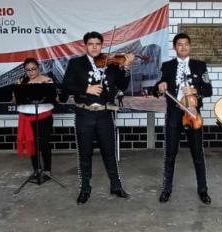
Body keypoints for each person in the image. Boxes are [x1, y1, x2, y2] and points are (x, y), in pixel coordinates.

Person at [62, 31, 134, 205]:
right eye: (91, 44)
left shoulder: (111, 64)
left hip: (104, 114)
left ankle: (116, 185)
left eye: (98, 44)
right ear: (85, 45)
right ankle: (85, 188)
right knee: (84, 154)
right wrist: (86, 89)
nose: (94, 47)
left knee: (109, 153)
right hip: (84, 114)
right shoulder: (76, 63)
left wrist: (126, 68)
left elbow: (123, 85)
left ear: (102, 45)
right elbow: (66, 86)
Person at [155, 33, 213, 205]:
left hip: (193, 114)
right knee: (170, 154)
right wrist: (159, 86)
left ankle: (203, 190)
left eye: (186, 44)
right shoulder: (167, 66)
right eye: (179, 44)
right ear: (175, 47)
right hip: (174, 114)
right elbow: (155, 88)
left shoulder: (199, 65)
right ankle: (166, 189)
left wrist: (195, 91)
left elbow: (208, 89)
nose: (183, 47)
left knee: (197, 153)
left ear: (190, 46)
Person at [13, 58, 57, 178]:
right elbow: (15, 102)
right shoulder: (21, 82)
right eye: (28, 70)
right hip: (27, 117)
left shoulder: (47, 80)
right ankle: (37, 169)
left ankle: (47, 170)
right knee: (31, 144)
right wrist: (17, 92)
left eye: (33, 69)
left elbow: (54, 99)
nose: (31, 72)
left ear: (39, 68)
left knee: (44, 143)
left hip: (44, 117)